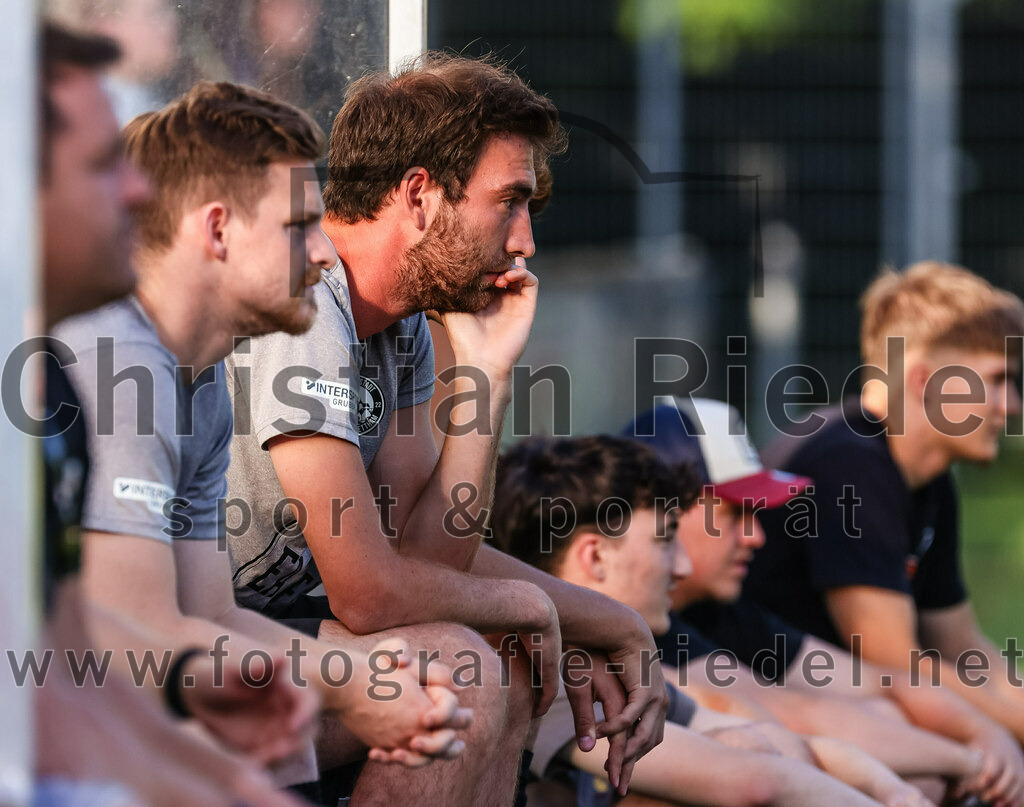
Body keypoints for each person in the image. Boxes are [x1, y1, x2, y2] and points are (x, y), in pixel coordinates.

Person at [224, 52, 668, 802]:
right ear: (421, 195)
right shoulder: (306, 302)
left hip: (279, 640)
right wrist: (542, 606)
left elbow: (426, 558)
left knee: (509, 656)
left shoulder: (401, 332)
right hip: (179, 654)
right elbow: (370, 592)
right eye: (510, 201)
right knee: (462, 667)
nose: (524, 241)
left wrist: (486, 372)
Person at [50, 77, 470, 801]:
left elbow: (210, 614)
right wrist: (348, 688)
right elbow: (129, 638)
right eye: (298, 226)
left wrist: (357, 679)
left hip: (80, 690)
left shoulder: (202, 380)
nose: (325, 253)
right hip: (48, 708)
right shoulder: (120, 359)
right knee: (269, 708)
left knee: (301, 709)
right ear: (216, 230)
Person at [34, 20, 315, 807]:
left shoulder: (56, 393)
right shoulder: (107, 361)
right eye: (100, 167)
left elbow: (67, 665)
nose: (137, 191)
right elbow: (125, 632)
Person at [626, 396, 1024, 807]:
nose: (756, 537)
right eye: (734, 513)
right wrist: (970, 761)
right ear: (662, 513)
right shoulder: (612, 619)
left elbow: (883, 681)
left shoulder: (715, 611)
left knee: (888, 728)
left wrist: (985, 732)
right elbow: (793, 716)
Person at [492, 434, 929, 807]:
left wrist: (890, 788)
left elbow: (766, 735)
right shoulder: (544, 663)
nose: (679, 566)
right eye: (665, 539)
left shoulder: (609, 654)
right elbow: (756, 775)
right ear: (596, 554)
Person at [743, 262, 1024, 744]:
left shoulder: (926, 478)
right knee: (944, 761)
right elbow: (895, 666)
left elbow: (960, 648)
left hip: (830, 706)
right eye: (997, 380)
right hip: (754, 707)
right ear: (924, 381)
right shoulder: (849, 463)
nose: (1012, 404)